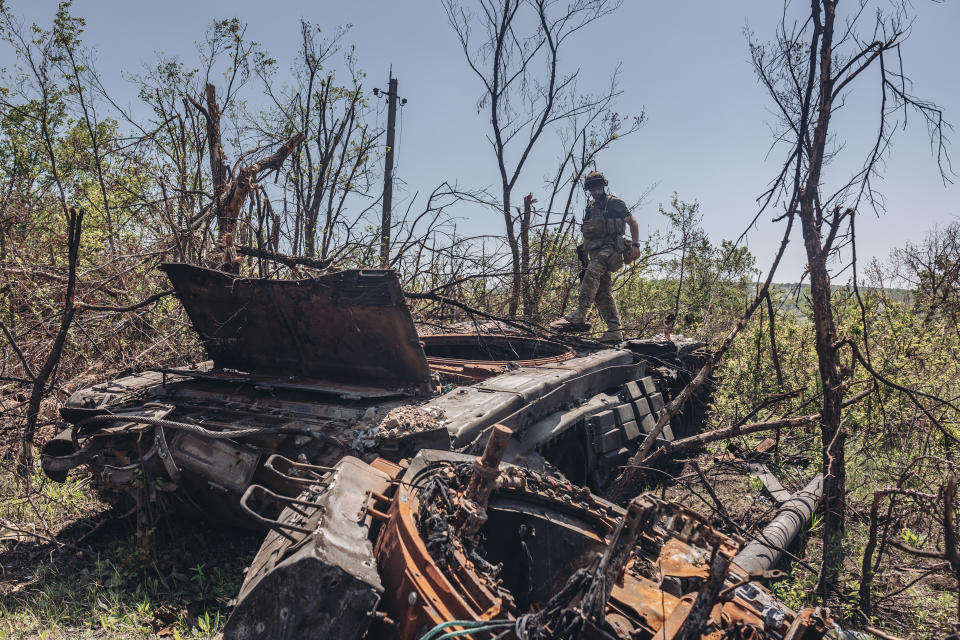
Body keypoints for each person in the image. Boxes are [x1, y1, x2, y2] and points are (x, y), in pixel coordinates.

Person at [551, 171, 641, 342]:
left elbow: (632, 222)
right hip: (595, 251)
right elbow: (587, 233)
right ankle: (614, 330)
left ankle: (580, 313)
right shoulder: (591, 208)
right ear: (589, 189)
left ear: (603, 186)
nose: (595, 191)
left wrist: (635, 245)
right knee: (602, 291)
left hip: (612, 249)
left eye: (598, 187)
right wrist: (584, 254)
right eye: (592, 188)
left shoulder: (614, 203)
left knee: (592, 272)